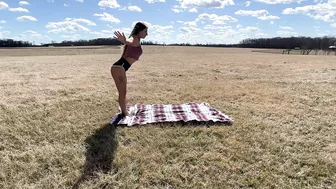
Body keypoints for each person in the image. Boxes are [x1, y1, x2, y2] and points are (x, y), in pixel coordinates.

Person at [111, 22, 148, 118]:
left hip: (120, 68)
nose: (146, 34)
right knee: (122, 92)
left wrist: (125, 41)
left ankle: (124, 110)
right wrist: (124, 40)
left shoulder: (137, 39)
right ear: (139, 31)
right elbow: (129, 41)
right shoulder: (134, 39)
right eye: (145, 31)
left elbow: (130, 42)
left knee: (123, 92)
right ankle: (125, 113)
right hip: (119, 68)